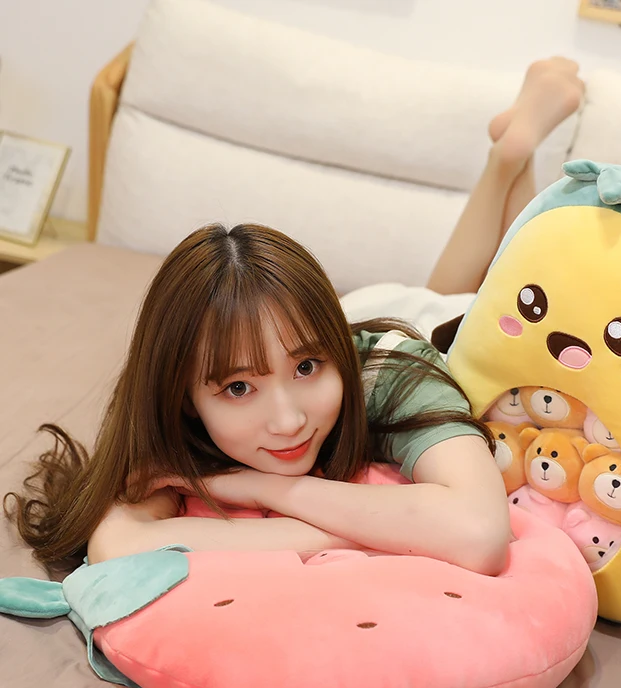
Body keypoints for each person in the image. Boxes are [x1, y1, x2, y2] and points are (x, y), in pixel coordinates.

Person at [4, 58, 583, 577]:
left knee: (469, 301)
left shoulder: (391, 372)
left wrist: (266, 489)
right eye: (238, 388)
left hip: (426, 330)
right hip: (302, 327)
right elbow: (119, 546)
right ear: (185, 397)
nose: (287, 421)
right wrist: (370, 529)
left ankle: (510, 156)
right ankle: (509, 156)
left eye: (307, 368)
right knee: (432, 293)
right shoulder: (170, 404)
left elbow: (480, 535)